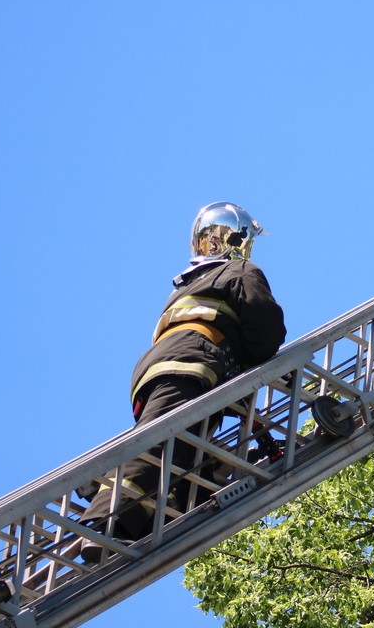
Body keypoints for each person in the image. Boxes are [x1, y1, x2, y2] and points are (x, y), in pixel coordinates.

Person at [80, 201, 287, 563]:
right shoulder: (239, 270)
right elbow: (265, 328)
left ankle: (142, 520)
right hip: (191, 363)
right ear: (237, 240)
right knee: (158, 448)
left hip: (164, 368)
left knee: (185, 457)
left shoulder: (187, 285)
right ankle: (104, 520)